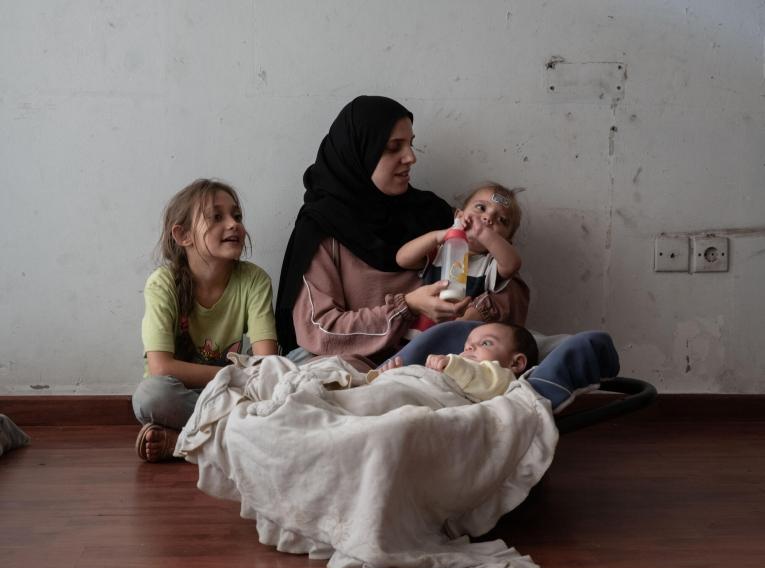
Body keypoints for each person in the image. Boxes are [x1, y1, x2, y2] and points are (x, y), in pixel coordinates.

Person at [275, 95, 530, 367]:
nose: (411, 157)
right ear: (360, 152)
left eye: (410, 144)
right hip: (358, 363)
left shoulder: (430, 212)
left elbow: (508, 287)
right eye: (393, 147)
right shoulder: (323, 229)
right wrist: (406, 307)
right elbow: (319, 330)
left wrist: (468, 318)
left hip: (440, 359)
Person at [133, 178, 277, 462]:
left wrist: (247, 379)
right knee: (150, 396)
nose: (233, 224)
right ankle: (252, 433)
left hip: (239, 389)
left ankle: (185, 445)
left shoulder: (254, 280)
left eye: (237, 216)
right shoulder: (163, 284)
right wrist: (239, 377)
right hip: (191, 394)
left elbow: (267, 362)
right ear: (183, 235)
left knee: (307, 359)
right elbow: (161, 367)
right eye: (216, 217)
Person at [396, 183, 524, 337]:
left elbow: (512, 265)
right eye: (481, 208)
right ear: (459, 216)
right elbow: (402, 259)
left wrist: (483, 232)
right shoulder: (440, 250)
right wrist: (439, 236)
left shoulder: (490, 265)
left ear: (506, 242)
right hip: (416, 335)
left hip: (457, 342)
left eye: (501, 220)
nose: (487, 218)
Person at [376, 322, 538, 402]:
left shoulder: (501, 378)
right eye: (467, 345)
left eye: (486, 343)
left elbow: (479, 378)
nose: (470, 347)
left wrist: (452, 365)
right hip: (402, 390)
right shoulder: (454, 368)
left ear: (515, 364)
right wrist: (393, 375)